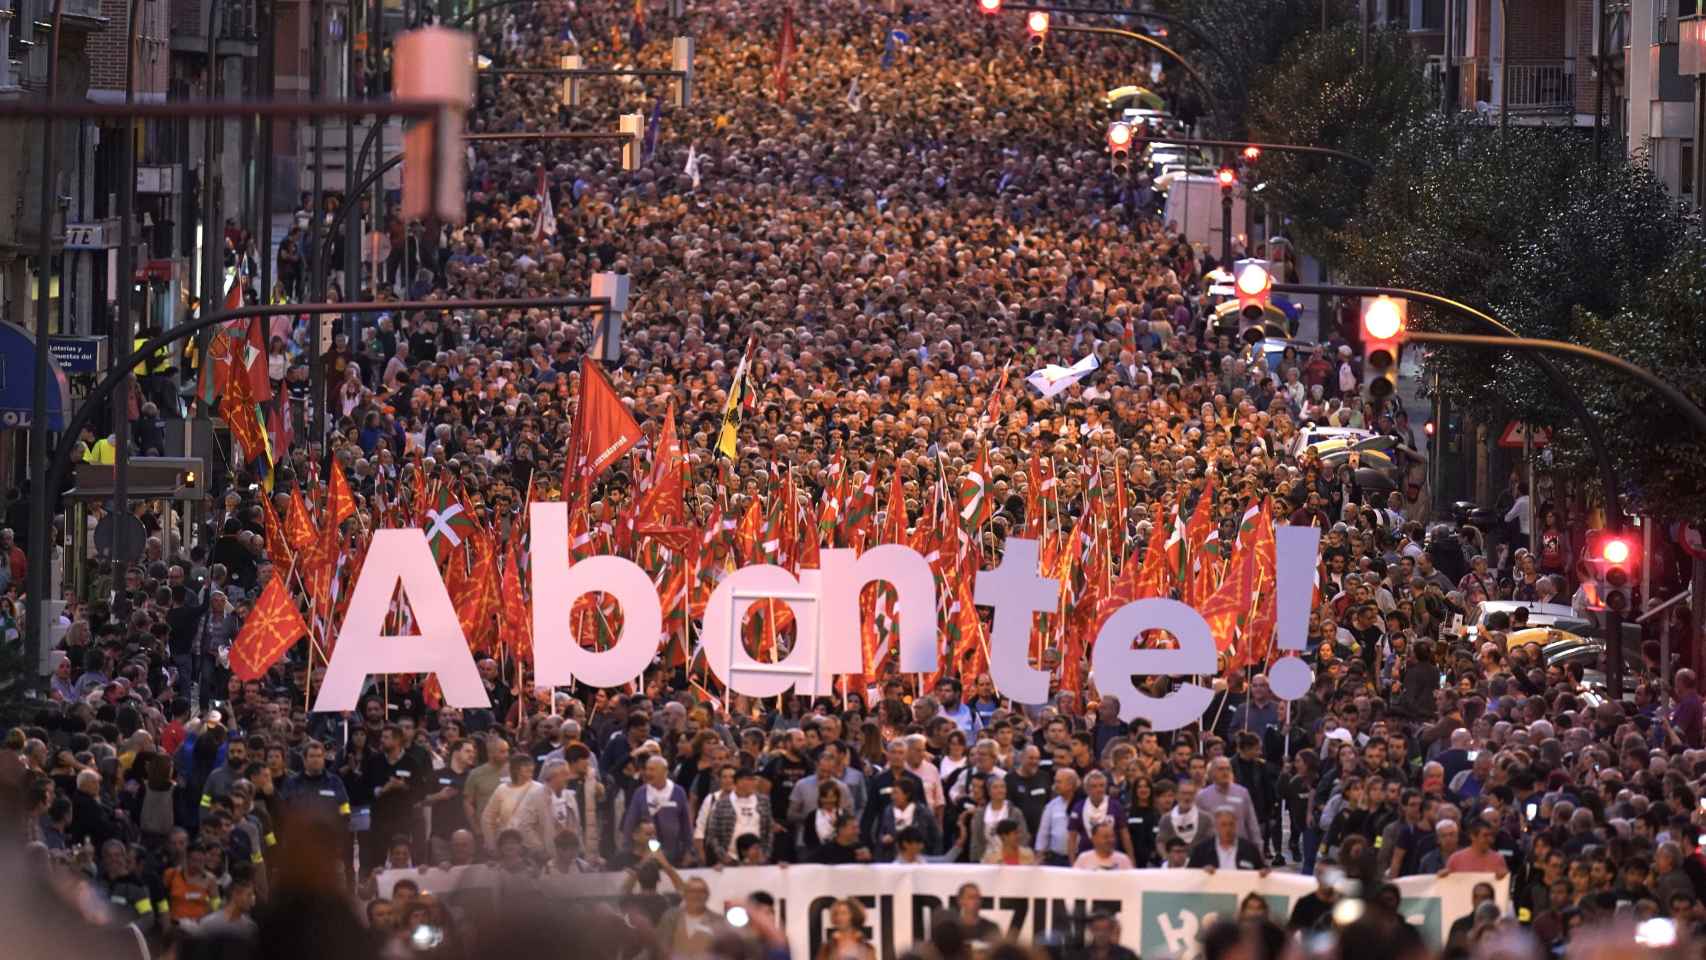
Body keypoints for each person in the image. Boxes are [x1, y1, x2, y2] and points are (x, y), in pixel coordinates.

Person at [1188, 809, 1267, 872]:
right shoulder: (1202, 850)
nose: (1228, 829)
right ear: (1216, 827)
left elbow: (1262, 870)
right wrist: (1202, 872)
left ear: (1236, 826)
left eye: (1231, 824)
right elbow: (1190, 874)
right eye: (1223, 825)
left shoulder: (1250, 849)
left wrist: (1264, 872)